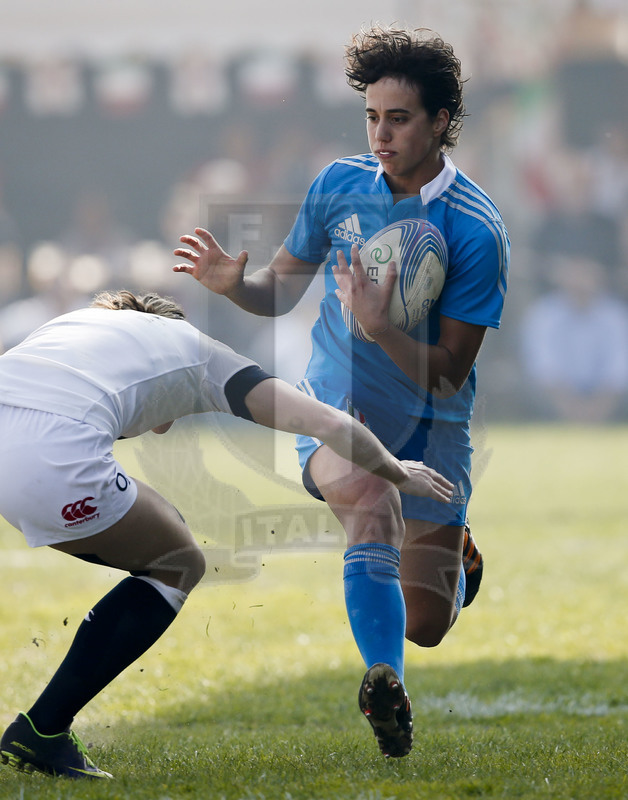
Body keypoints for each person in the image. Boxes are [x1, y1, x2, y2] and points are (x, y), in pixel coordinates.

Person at [173, 24, 510, 759]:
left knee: (427, 621)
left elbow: (450, 369)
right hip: (337, 398)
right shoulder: (338, 184)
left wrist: (381, 327)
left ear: (441, 122)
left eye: (399, 119)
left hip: (433, 420)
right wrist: (236, 287)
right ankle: (383, 681)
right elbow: (277, 292)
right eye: (372, 117)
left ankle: (457, 561)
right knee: (368, 499)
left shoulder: (478, 231)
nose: (381, 134)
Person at [0, 289, 452, 780]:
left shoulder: (73, 325)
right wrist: (397, 473)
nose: (163, 429)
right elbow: (328, 422)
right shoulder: (202, 355)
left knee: (157, 536)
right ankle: (43, 730)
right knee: (176, 562)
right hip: (50, 455)